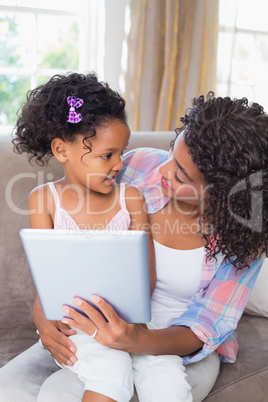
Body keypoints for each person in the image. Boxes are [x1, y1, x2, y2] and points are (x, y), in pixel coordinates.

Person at [0, 92, 267, 402]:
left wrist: (137, 339)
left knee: (80, 392)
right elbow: (67, 242)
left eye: (180, 174)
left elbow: (208, 325)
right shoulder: (138, 165)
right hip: (97, 320)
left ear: (221, 194)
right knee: (11, 388)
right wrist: (43, 315)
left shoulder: (243, 237)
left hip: (171, 341)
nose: (164, 171)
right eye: (171, 153)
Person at [8, 72, 159, 402]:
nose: (119, 164)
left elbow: (146, 277)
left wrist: (124, 320)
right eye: (107, 155)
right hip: (69, 321)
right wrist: (44, 323)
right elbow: (45, 282)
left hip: (121, 320)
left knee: (115, 365)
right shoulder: (44, 200)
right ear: (62, 150)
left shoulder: (131, 199)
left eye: (122, 152)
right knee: (109, 370)